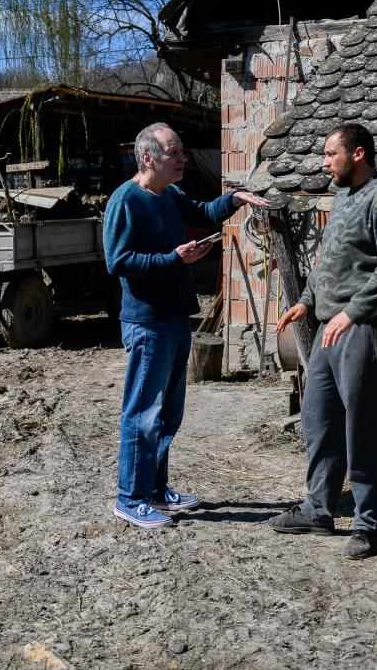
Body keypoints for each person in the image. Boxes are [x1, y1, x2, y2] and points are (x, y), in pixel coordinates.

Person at [104, 122, 271, 528]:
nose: (183, 159)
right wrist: (172, 259)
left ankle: (156, 489)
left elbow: (202, 212)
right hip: (148, 322)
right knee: (143, 414)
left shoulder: (169, 195)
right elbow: (118, 261)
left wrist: (234, 199)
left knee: (167, 415)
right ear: (148, 158)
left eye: (181, 151)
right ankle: (130, 498)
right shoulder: (125, 200)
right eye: (174, 152)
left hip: (177, 317)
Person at [267, 121, 377, 559]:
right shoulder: (345, 196)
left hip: (363, 327)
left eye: (331, 154)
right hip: (330, 327)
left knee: (365, 426)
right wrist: (307, 300)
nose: (324, 162)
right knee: (319, 419)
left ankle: (371, 525)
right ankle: (318, 509)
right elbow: (329, 260)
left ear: (358, 153)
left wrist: (354, 311)